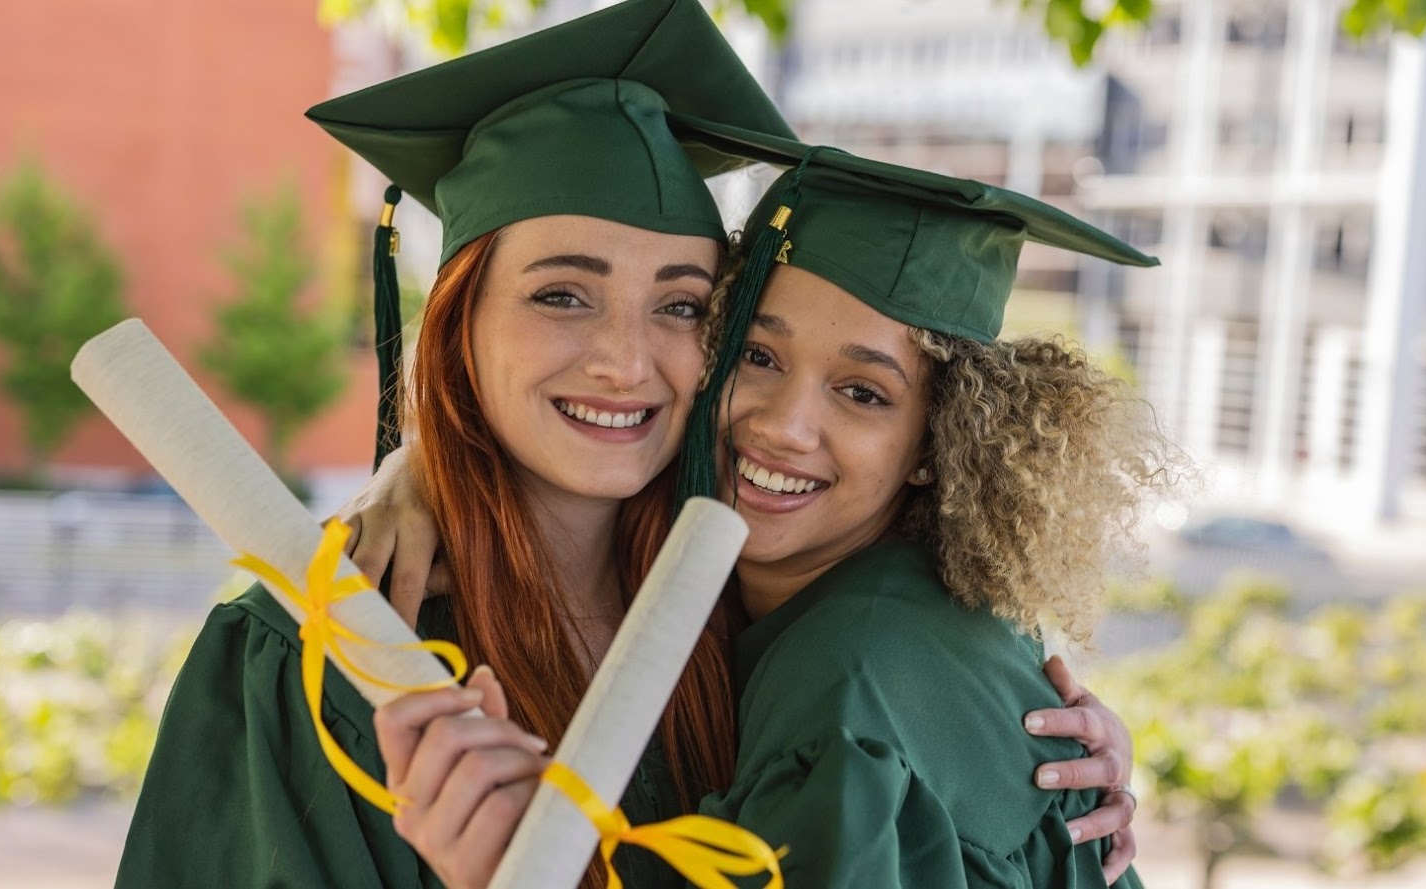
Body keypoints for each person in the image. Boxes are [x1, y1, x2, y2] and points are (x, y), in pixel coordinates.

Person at [359, 135, 1170, 887]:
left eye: (863, 393)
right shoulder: (840, 600)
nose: (782, 425)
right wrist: (427, 462)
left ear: (939, 444)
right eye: (757, 355)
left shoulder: (848, 690)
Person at [115, 2, 796, 887]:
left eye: (681, 305)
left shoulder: (755, 622)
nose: (628, 363)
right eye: (562, 294)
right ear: (458, 322)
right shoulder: (321, 652)